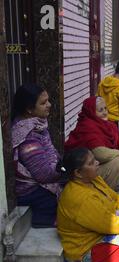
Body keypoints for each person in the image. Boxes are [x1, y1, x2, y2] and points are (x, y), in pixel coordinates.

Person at [64, 96, 119, 190]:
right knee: (117, 162)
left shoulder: (104, 125)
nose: (104, 112)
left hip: (92, 168)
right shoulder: (87, 126)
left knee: (117, 154)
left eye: (105, 108)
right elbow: (99, 154)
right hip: (82, 176)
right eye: (100, 110)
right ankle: (105, 194)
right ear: (91, 112)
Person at [11, 84, 63, 228]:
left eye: (48, 100)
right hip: (28, 189)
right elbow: (44, 174)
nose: (49, 105)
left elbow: (51, 155)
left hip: (45, 176)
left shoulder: (38, 125)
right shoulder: (27, 136)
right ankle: (43, 218)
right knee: (57, 197)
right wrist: (64, 171)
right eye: (43, 103)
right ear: (29, 109)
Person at [97, 61, 119, 133]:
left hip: (101, 120)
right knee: (115, 142)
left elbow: (97, 100)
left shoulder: (103, 83)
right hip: (115, 122)